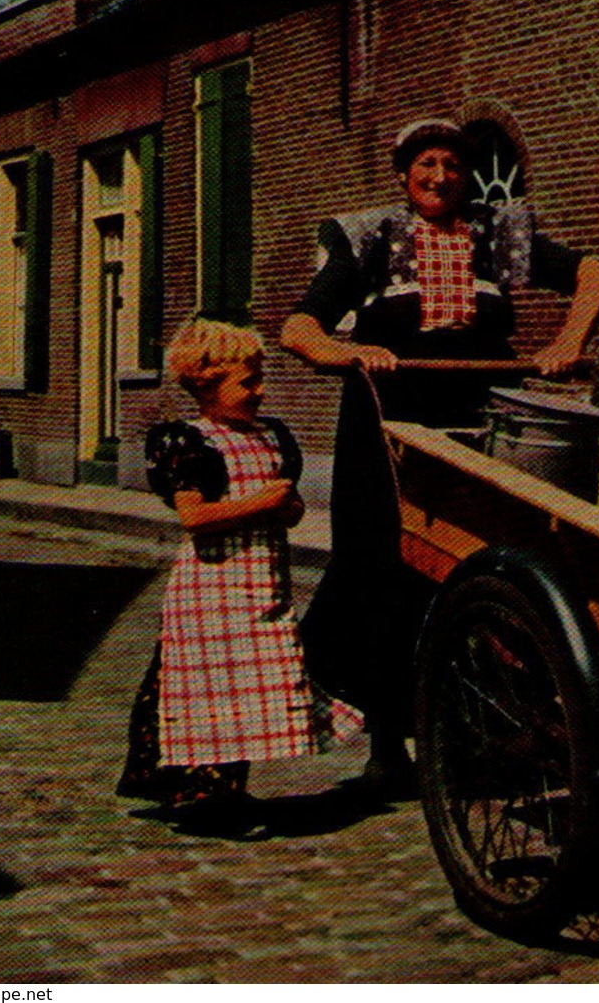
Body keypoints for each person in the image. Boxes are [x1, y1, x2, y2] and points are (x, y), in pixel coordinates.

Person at [281, 118, 599, 795]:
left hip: (478, 424)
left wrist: (566, 342)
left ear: (469, 176)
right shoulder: (367, 238)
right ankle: (385, 743)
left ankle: (480, 726)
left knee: (481, 568)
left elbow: (595, 274)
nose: (439, 178)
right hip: (388, 430)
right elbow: (299, 329)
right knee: (383, 569)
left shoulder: (498, 236)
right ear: (403, 173)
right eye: (425, 165)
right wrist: (348, 352)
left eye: (453, 167)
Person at [117, 319, 362, 829]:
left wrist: (286, 506)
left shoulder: (271, 436)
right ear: (205, 387)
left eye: (259, 378)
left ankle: (230, 790)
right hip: (211, 587)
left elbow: (291, 511)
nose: (259, 391)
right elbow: (194, 517)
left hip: (263, 583)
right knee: (208, 690)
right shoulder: (188, 442)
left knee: (254, 684)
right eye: (246, 383)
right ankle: (204, 795)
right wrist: (258, 502)